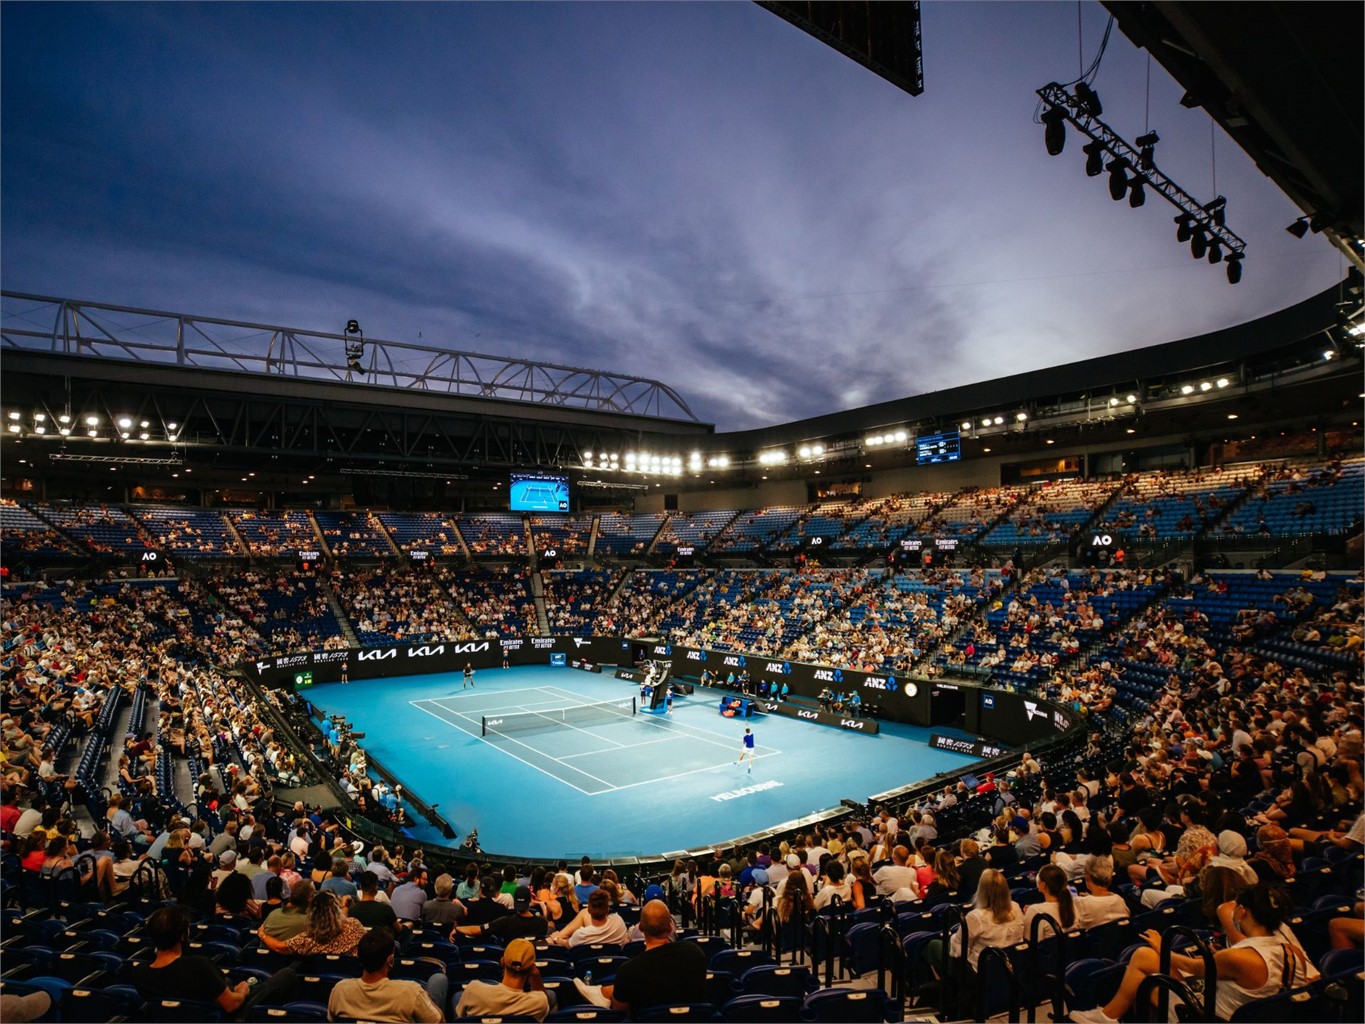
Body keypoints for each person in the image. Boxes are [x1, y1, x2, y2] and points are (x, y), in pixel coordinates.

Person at [1070, 884, 1319, 1024]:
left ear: (1242, 912)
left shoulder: (1238, 957)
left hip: (1210, 1016)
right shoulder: (1291, 950)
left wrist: (1160, 944)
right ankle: (1108, 1016)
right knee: (1146, 978)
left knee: (1145, 962)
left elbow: (1192, 966)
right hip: (1254, 1014)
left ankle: (1107, 1016)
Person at [135, 904, 293, 1015]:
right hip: (227, 1014)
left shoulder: (141, 973)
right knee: (286, 975)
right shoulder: (197, 966)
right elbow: (231, 1005)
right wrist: (242, 990)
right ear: (183, 935)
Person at [574, 899, 706, 1015]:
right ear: (671, 926)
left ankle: (604, 992)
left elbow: (620, 1012)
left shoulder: (629, 971)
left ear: (641, 928)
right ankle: (605, 992)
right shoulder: (695, 952)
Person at [327, 926, 446, 1023]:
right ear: (391, 960)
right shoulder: (411, 992)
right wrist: (427, 999)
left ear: (359, 957)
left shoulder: (340, 990)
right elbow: (439, 1021)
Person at [454, 937, 553, 1021]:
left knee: (457, 996)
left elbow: (461, 1019)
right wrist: (536, 977)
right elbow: (542, 998)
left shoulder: (473, 989)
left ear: (502, 961)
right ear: (532, 968)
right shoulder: (539, 1002)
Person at [546, 889, 627, 947]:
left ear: (589, 909)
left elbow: (566, 945)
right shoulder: (618, 921)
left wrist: (557, 938)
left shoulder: (581, 935)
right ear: (608, 909)